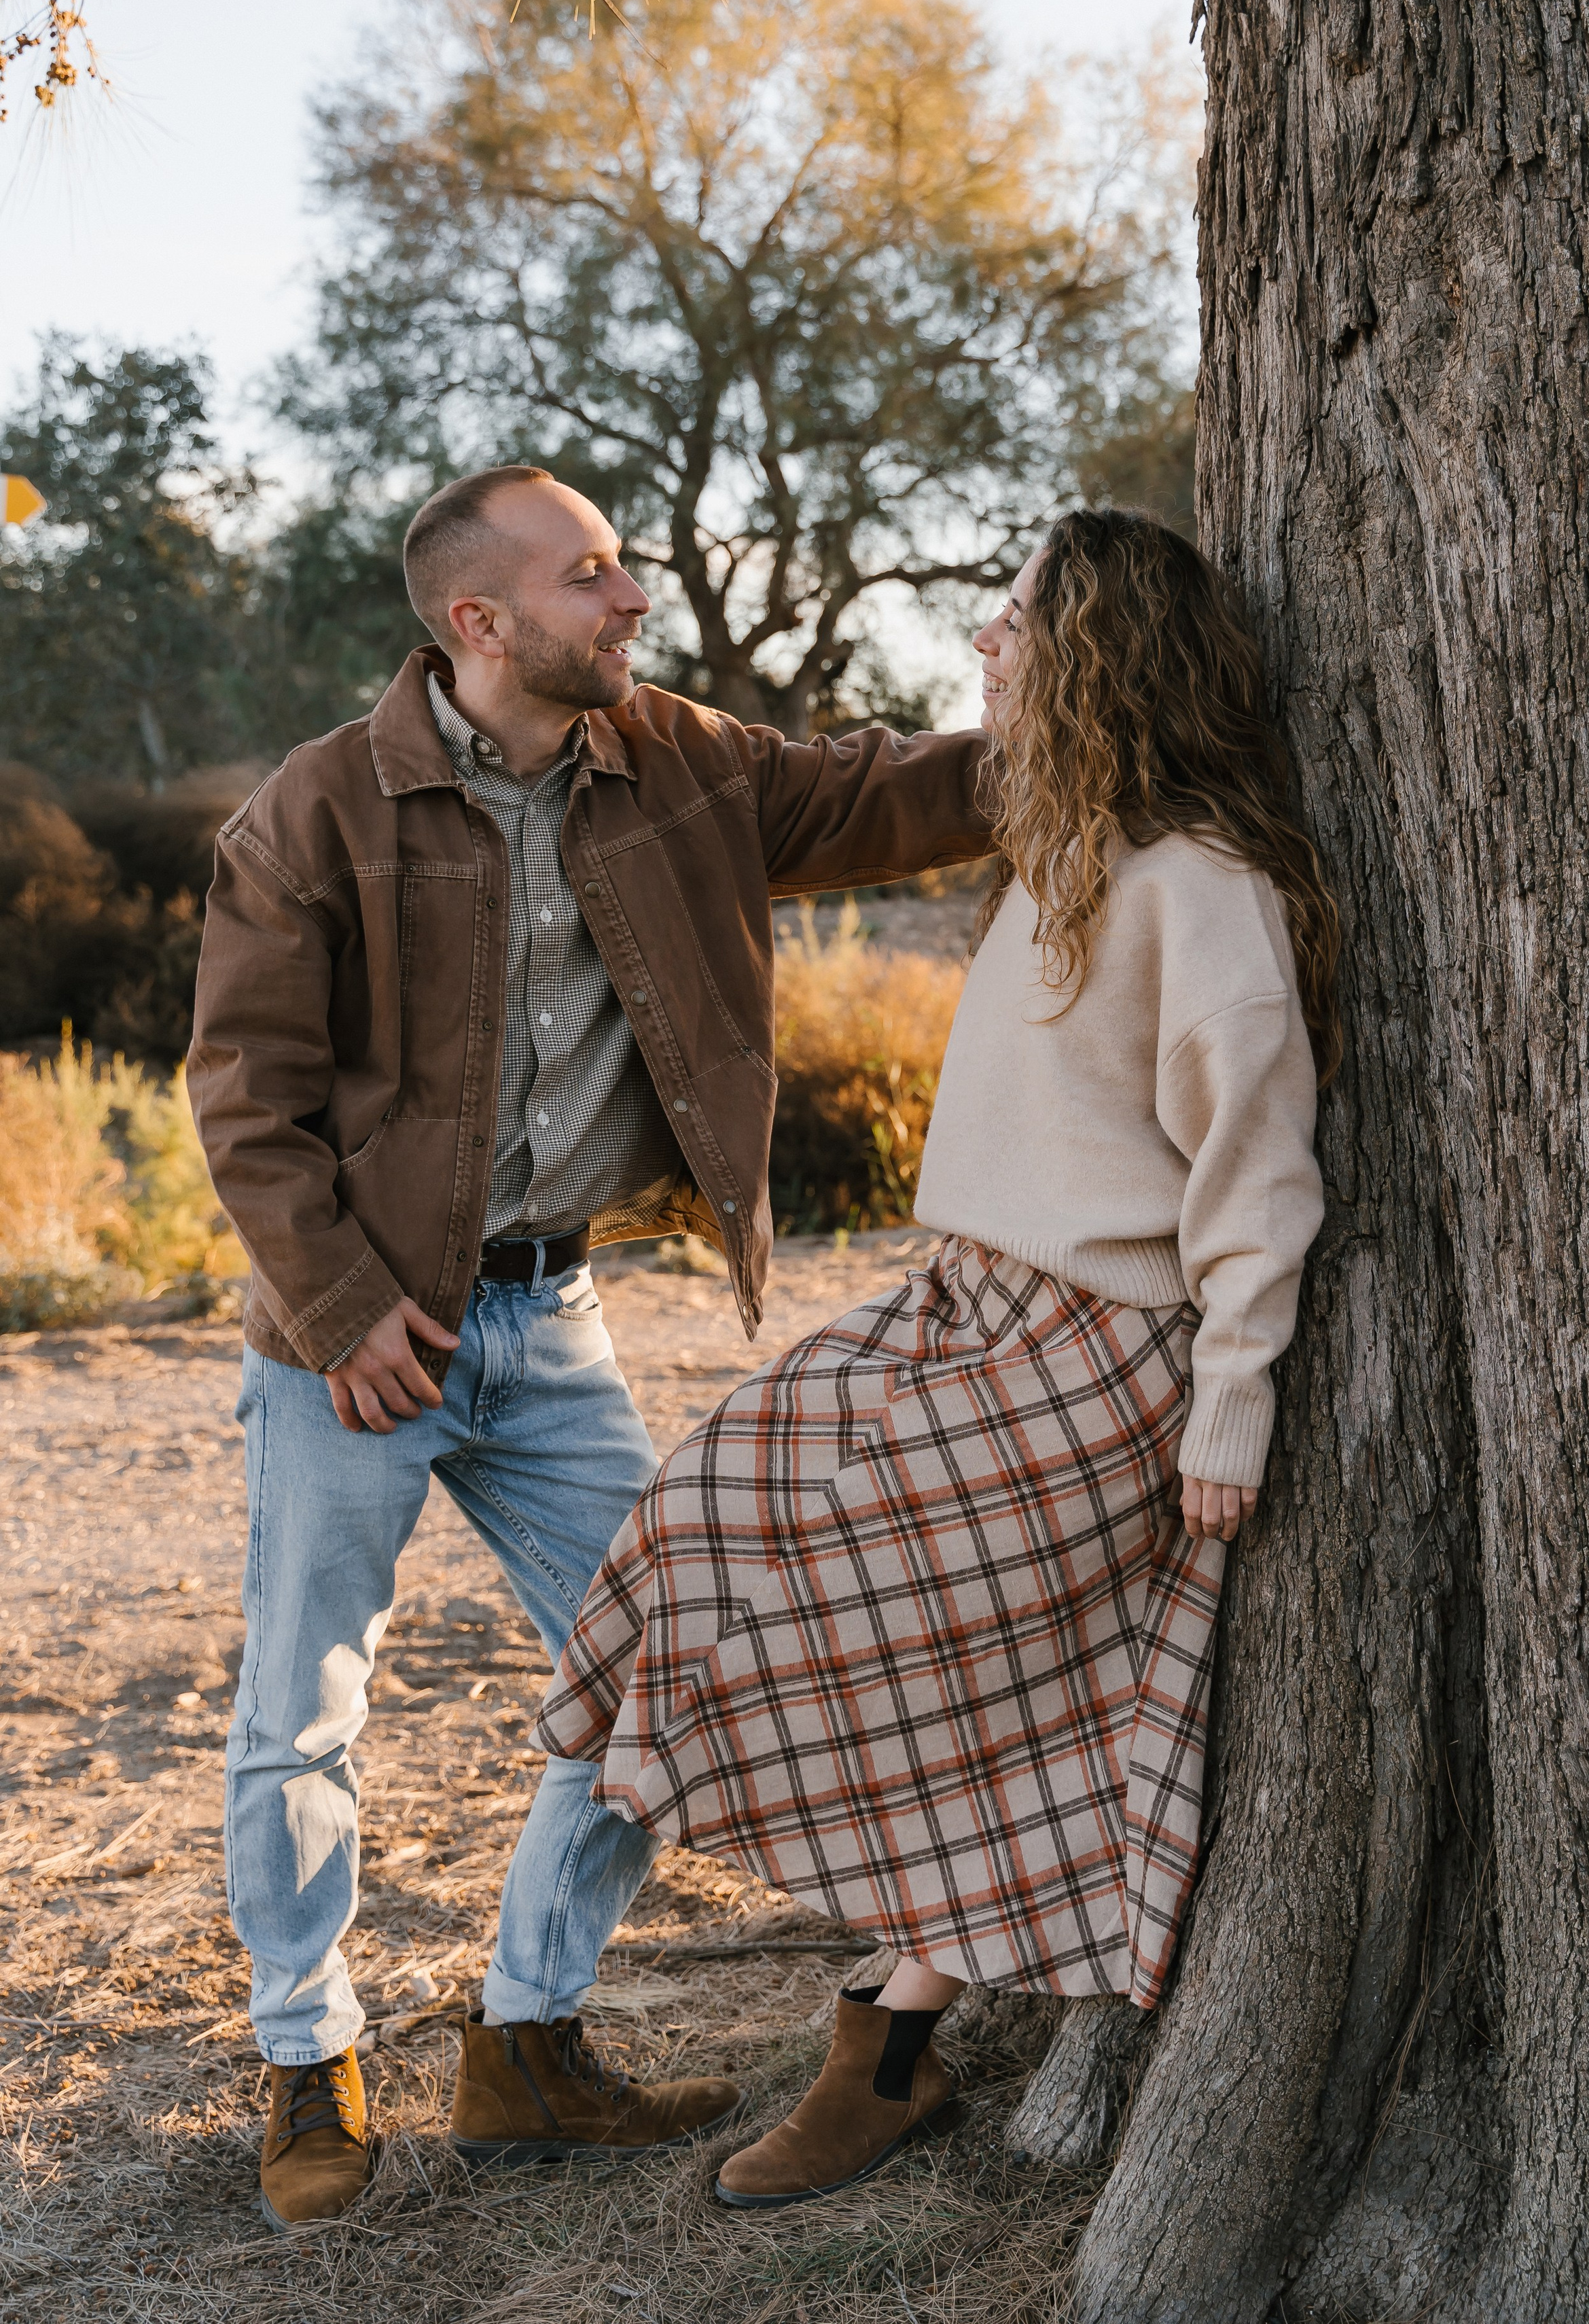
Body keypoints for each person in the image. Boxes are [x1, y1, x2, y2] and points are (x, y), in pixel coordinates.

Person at [185, 463, 990, 2232]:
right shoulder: (316, 814)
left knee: (650, 1675)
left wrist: (1068, 732)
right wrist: (334, 1306)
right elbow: (245, 1099)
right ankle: (304, 2063)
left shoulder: (679, 762)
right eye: (592, 576)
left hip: (551, 1319)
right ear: (481, 623)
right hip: (354, 1338)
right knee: (303, 1712)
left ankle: (525, 2046)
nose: (631, 601)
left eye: (622, 569)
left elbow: (873, 797)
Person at [534, 505, 1340, 2208]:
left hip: (1091, 1348)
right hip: (952, 1309)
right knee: (714, 1495)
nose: (984, 644)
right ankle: (820, 1964)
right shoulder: (1064, 855)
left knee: (940, 1665)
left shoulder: (1197, 887)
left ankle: (883, 2046)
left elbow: (1259, 1175)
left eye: (1017, 621)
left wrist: (1235, 1401)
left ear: (1103, 657)